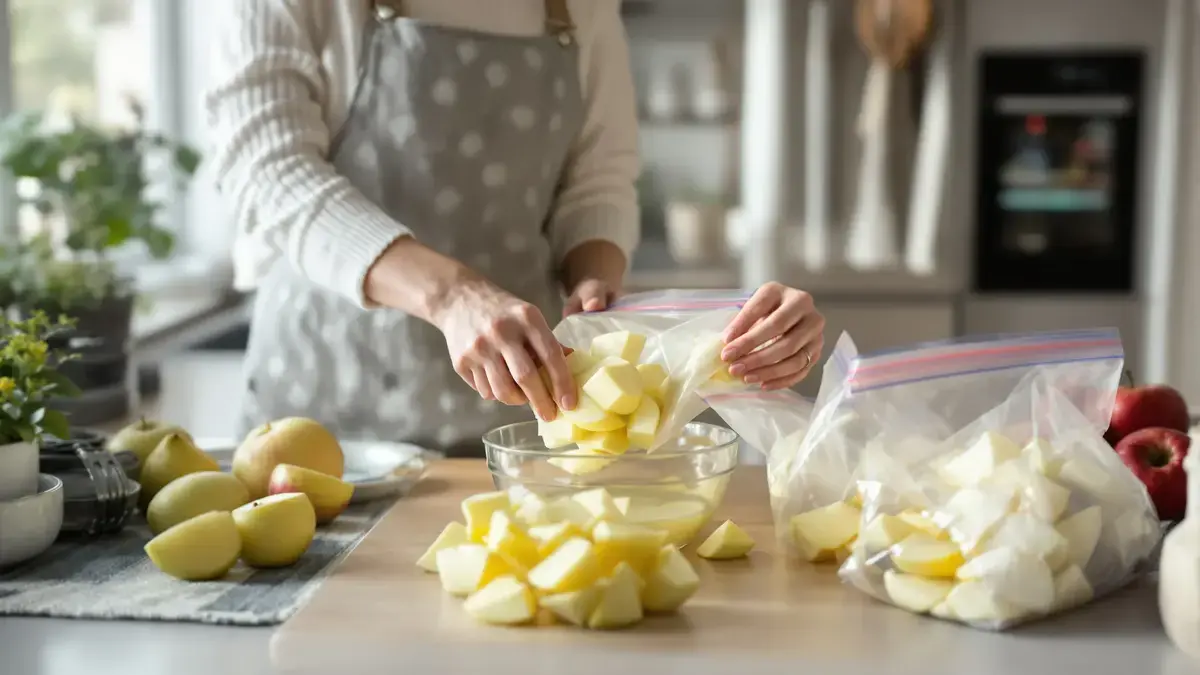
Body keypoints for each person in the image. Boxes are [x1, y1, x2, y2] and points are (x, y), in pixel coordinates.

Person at [207, 0, 826, 456]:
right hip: (324, 427)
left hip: (519, 430)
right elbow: (268, 169)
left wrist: (593, 286)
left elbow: (598, 180)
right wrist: (455, 297)